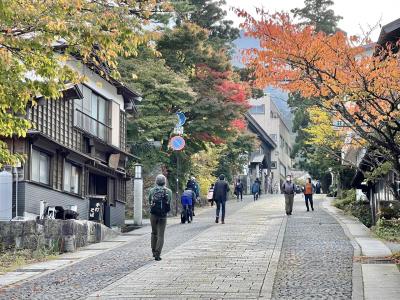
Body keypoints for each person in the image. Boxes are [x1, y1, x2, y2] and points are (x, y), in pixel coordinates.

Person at [148, 174, 172, 261]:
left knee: (154, 233)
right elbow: (169, 201)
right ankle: (158, 254)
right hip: (163, 215)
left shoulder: (152, 190)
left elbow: (149, 200)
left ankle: (153, 252)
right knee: (161, 235)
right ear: (164, 182)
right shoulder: (168, 191)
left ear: (156, 182)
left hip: (153, 214)